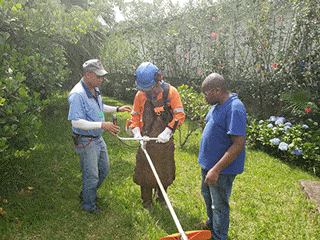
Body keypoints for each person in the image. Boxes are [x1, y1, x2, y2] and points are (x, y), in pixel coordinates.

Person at [68, 59, 132, 214]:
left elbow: (98, 107)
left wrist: (117, 108)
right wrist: (101, 125)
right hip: (85, 140)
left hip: (97, 139)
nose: (101, 79)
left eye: (102, 76)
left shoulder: (93, 88)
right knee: (91, 175)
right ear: (88, 74)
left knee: (104, 169)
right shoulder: (78, 94)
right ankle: (88, 205)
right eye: (98, 76)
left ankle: (87, 193)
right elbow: (76, 122)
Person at [197, 73, 246, 239]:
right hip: (208, 166)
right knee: (208, 198)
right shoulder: (217, 105)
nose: (204, 97)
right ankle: (211, 225)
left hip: (221, 170)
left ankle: (218, 236)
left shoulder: (235, 108)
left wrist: (216, 169)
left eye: (206, 93)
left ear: (217, 90)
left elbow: (238, 144)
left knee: (219, 205)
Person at [130, 62, 185, 210]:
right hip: (146, 140)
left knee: (164, 170)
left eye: (151, 88)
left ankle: (161, 198)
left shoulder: (170, 92)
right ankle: (146, 202)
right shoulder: (140, 95)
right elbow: (135, 116)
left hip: (164, 142)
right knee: (144, 172)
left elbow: (179, 115)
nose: (150, 91)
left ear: (158, 79)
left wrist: (168, 131)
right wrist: (136, 132)